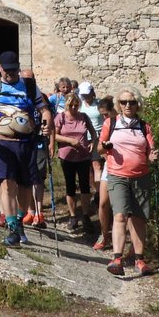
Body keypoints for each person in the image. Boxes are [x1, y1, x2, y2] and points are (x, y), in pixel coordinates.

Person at [0, 51, 53, 247]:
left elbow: (44, 109)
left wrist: (47, 124)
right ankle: (12, 228)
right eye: (7, 70)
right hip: (2, 143)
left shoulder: (28, 85)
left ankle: (20, 221)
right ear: (0, 67)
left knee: (26, 185)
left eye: (14, 70)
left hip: (27, 142)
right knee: (7, 184)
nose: (11, 73)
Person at [100, 87, 159, 276]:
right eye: (124, 102)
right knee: (120, 215)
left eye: (132, 102)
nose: (128, 105)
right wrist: (105, 147)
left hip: (141, 176)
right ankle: (117, 259)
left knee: (139, 219)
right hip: (117, 175)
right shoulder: (111, 123)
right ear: (118, 104)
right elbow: (99, 149)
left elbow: (150, 151)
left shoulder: (144, 126)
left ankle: (139, 260)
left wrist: (153, 157)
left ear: (137, 105)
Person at [54, 92, 96, 232]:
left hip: (83, 156)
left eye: (76, 105)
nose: (73, 107)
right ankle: (72, 216)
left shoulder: (83, 117)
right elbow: (55, 135)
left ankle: (85, 215)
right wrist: (70, 141)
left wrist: (92, 142)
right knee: (70, 186)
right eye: (71, 105)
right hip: (67, 156)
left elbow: (93, 132)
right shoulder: (61, 117)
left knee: (85, 186)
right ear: (66, 105)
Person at [92, 96, 116, 251]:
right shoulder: (107, 124)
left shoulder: (123, 123)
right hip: (110, 163)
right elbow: (100, 147)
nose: (104, 117)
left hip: (124, 166)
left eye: (106, 114)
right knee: (103, 202)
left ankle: (117, 235)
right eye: (102, 115)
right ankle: (104, 234)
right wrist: (105, 151)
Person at [75, 82, 104, 195]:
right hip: (83, 137)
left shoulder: (99, 104)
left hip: (97, 136)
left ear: (92, 92)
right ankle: (94, 189)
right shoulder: (80, 105)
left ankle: (99, 192)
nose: (86, 97)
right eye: (83, 95)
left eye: (87, 94)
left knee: (96, 164)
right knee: (87, 167)